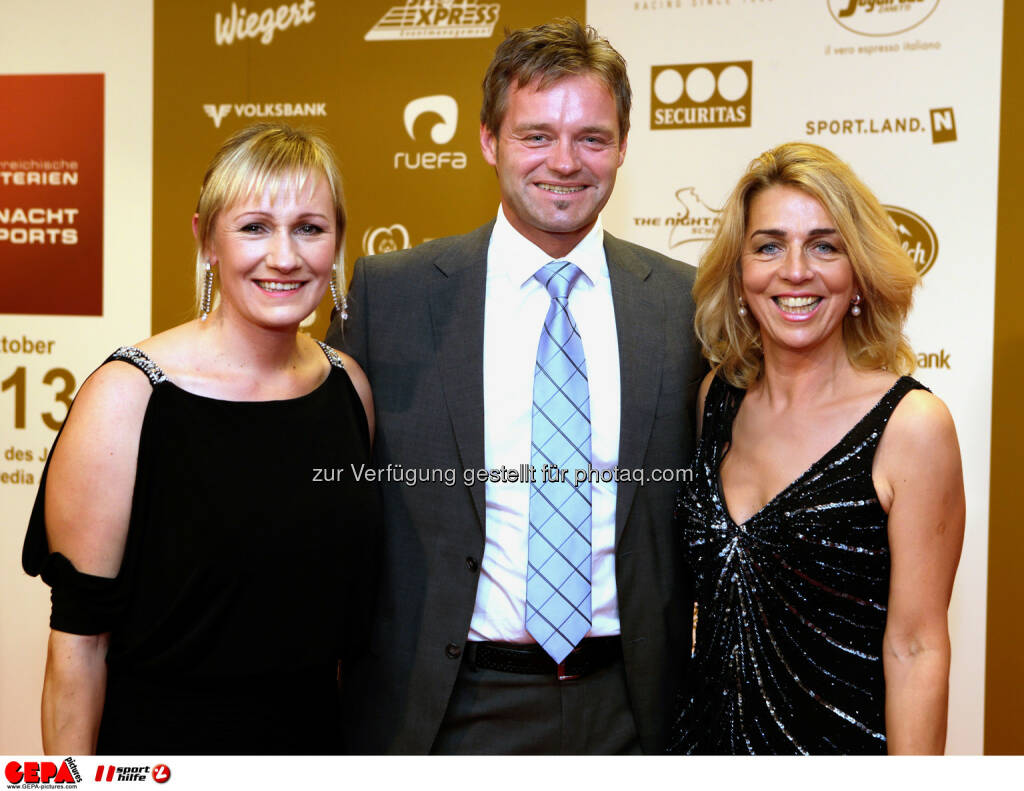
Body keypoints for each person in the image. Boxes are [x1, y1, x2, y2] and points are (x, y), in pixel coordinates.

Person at [325, 17, 704, 754]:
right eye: (536, 135)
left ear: (624, 146)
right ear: (489, 141)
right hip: (444, 709)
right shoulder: (391, 296)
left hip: (632, 710)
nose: (564, 161)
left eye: (592, 137)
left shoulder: (687, 305)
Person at [23, 123, 379, 755]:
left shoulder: (349, 388)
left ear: (338, 244)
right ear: (206, 240)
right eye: (254, 227)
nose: (285, 256)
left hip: (315, 752)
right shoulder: (128, 396)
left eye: (309, 227)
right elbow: (79, 645)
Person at [673, 142, 965, 755]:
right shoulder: (714, 402)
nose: (796, 270)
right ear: (740, 273)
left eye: (824, 246)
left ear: (857, 274)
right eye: (769, 245)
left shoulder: (911, 426)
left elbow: (916, 648)